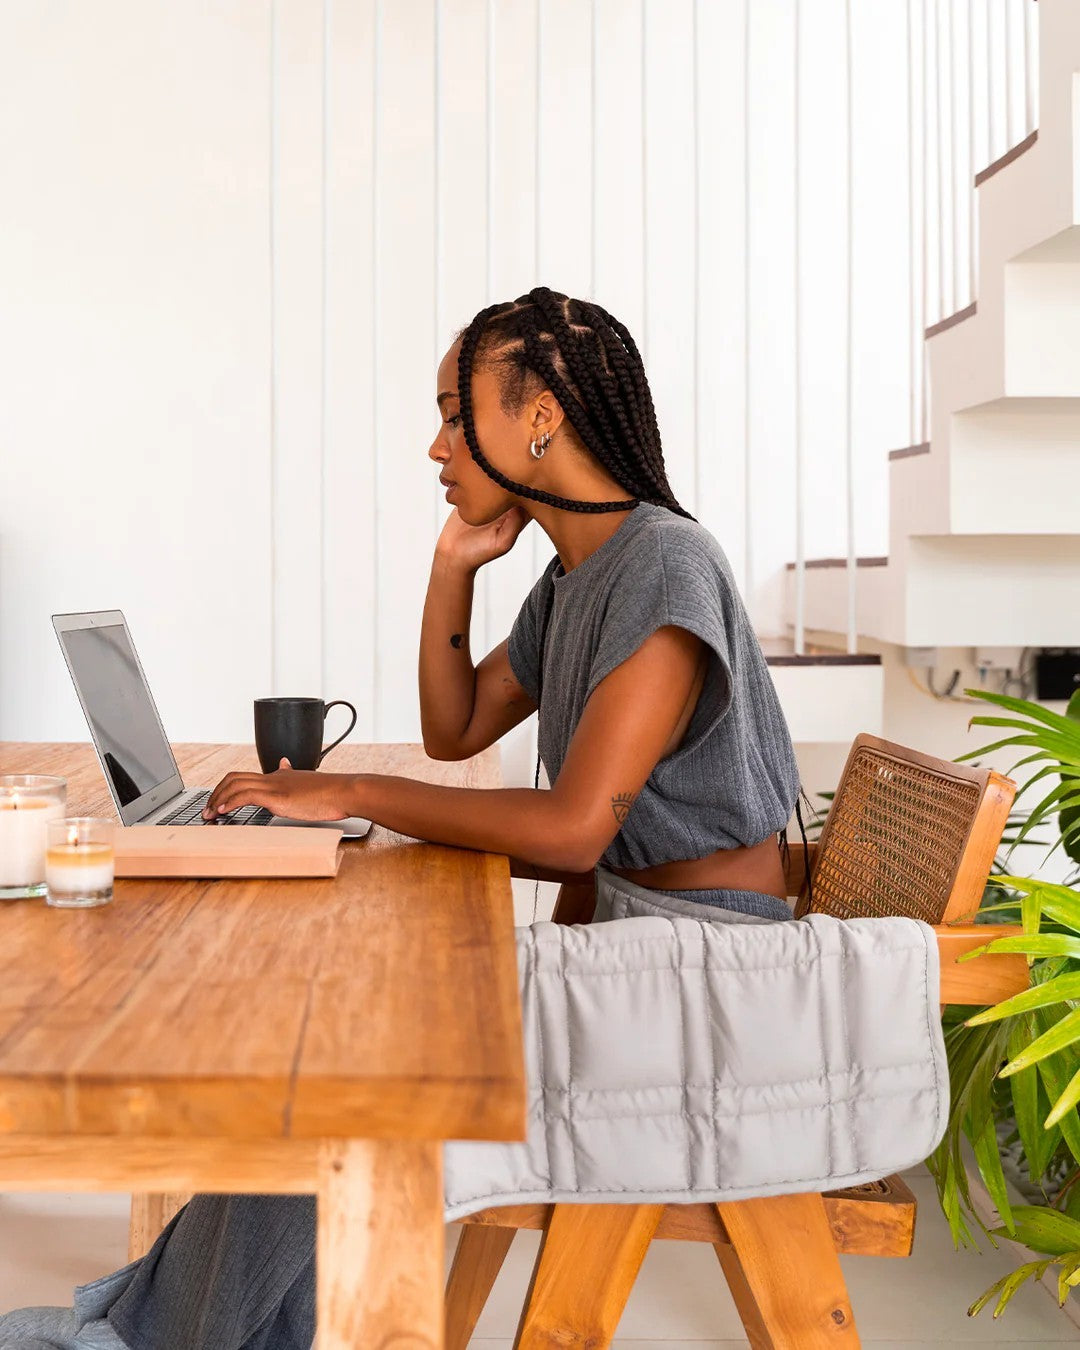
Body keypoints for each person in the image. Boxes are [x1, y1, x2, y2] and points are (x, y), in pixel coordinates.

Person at [0, 286, 808, 1349]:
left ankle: (145, 1337)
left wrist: (341, 792)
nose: (436, 445)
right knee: (333, 1035)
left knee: (347, 1059)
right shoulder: (580, 576)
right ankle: (173, 1331)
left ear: (539, 416)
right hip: (633, 959)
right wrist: (449, 568)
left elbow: (573, 830)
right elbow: (458, 726)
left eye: (452, 411)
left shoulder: (665, 565)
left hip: (700, 991)